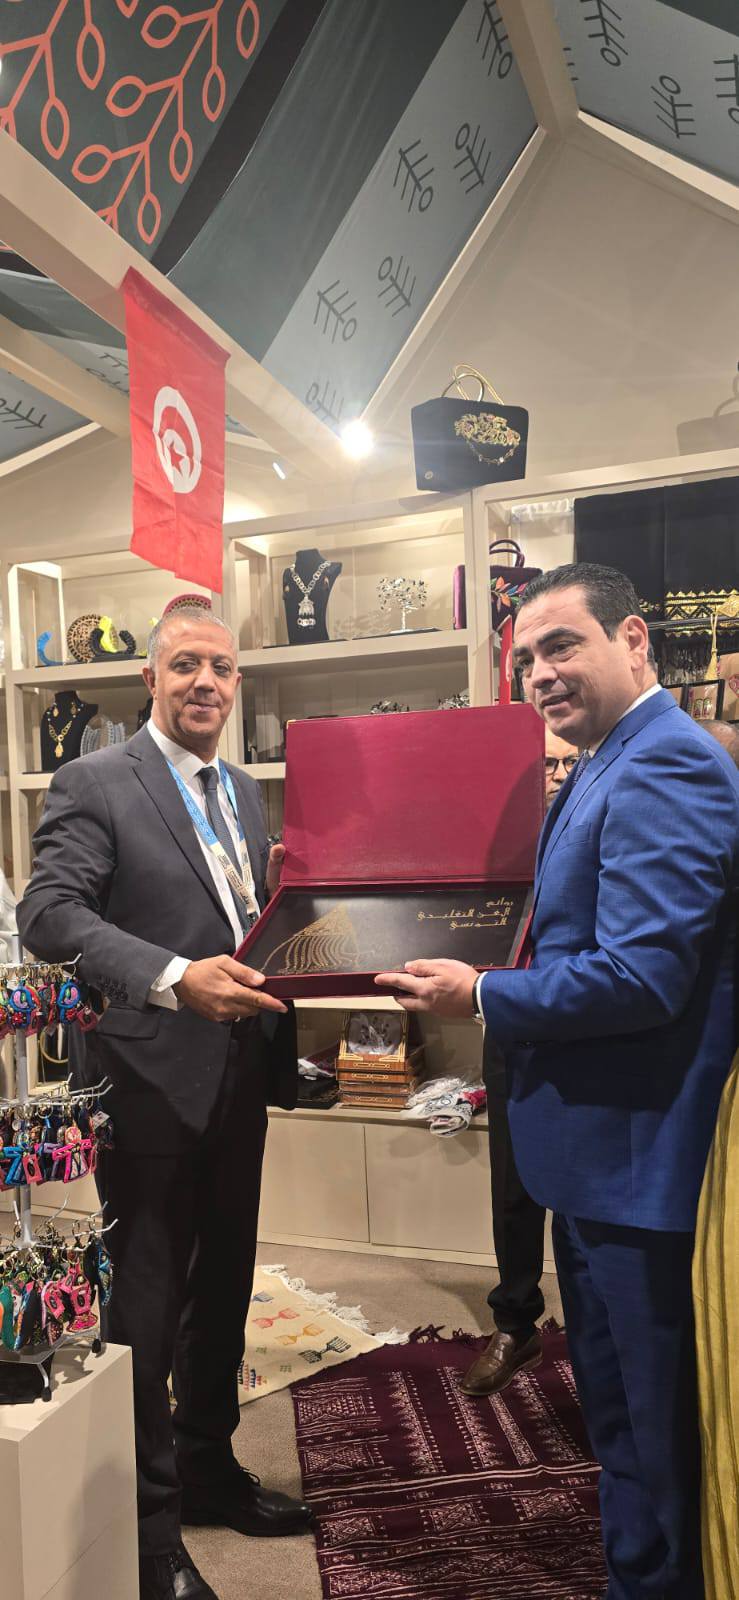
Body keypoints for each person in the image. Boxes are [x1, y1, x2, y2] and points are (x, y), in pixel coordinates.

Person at [377, 562, 739, 1600]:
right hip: (594, 1158)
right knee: (618, 1414)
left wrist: (483, 993)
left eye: (560, 645)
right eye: (524, 658)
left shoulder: (663, 763)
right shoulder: (605, 759)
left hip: (640, 1162)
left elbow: (641, 977)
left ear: (633, 639)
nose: (537, 672)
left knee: (655, 1425)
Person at [18, 607, 313, 1600]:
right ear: (150, 677)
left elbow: (234, 912)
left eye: (221, 666)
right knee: (145, 1309)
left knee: (223, 1285)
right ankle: (149, 1536)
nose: (205, 682)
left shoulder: (242, 789)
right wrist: (175, 976)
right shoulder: (96, 780)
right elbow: (48, 913)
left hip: (239, 1075)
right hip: (145, 1080)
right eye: (185, 664)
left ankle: (207, 1468)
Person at [461, 728, 578, 1398]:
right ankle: (514, 1323)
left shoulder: (602, 826)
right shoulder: (501, 843)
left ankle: (594, 1325)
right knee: (513, 1182)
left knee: (584, 1181)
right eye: (545, 764)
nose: (556, 774)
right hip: (509, 1017)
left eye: (568, 761)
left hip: (584, 1024)